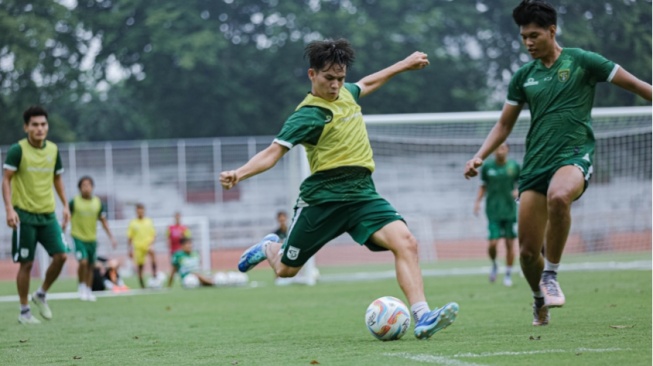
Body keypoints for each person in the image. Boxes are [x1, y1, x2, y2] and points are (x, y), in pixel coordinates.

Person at [220, 38, 459, 339]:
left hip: (362, 194)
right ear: (312, 75)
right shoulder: (308, 115)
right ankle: (269, 246)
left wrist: (405, 64)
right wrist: (238, 173)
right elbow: (273, 152)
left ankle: (423, 315)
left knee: (407, 242)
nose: (335, 86)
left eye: (340, 79)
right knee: (285, 270)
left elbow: (369, 82)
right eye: (329, 79)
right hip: (323, 199)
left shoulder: (347, 93)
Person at [463, 0, 652, 326]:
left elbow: (637, 86)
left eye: (534, 35)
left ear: (552, 31)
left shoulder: (582, 62)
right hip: (535, 163)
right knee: (525, 253)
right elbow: (504, 125)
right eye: (523, 37)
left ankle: (551, 275)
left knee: (560, 196)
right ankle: (539, 299)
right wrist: (480, 154)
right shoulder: (523, 76)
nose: (528, 42)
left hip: (573, 155)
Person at [2, 106, 70, 324]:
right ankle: (24, 311)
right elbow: (6, 179)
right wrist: (9, 209)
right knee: (27, 264)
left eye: (43, 124)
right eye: (35, 125)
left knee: (61, 256)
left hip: (48, 214)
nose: (40, 128)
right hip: (25, 216)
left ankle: (41, 294)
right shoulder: (17, 150)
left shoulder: (53, 150)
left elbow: (57, 179)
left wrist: (66, 206)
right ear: (26, 127)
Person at [473, 143, 520, 287]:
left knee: (509, 243)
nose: (500, 151)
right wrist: (477, 202)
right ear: (493, 151)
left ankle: (508, 274)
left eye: (503, 148)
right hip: (493, 210)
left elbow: (521, 182)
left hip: (510, 210)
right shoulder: (487, 167)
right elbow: (483, 185)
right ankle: (494, 264)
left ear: (507, 150)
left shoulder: (514, 166)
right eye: (497, 148)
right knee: (493, 243)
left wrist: (518, 191)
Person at [63, 176, 117, 301]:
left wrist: (111, 237)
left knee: (91, 266)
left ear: (92, 187)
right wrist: (62, 229)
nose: (86, 188)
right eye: (83, 185)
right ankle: (81, 286)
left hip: (92, 239)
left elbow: (103, 221)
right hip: (78, 237)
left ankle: (88, 289)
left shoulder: (97, 203)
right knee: (83, 262)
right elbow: (67, 217)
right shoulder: (74, 202)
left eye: (88, 185)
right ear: (80, 188)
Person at [127, 203, 157, 288]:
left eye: (141, 210)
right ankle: (142, 285)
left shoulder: (149, 221)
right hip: (138, 247)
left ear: (144, 211)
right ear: (136, 211)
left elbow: (154, 234)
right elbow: (130, 237)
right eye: (138, 211)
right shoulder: (133, 223)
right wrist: (129, 250)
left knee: (152, 253)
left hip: (147, 244)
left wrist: (151, 244)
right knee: (140, 266)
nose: (140, 212)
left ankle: (155, 275)